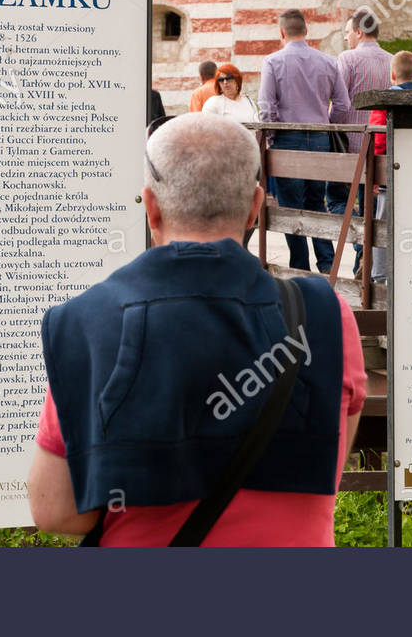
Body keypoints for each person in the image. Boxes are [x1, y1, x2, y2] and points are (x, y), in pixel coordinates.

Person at [27, 114, 366, 545]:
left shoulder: (85, 321)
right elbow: (327, 468)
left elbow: (56, 510)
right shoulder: (323, 315)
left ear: (151, 207)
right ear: (255, 206)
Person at [258, 9, 353, 274]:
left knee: (290, 208)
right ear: (306, 31)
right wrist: (326, 124)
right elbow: (343, 105)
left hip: (288, 139)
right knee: (316, 203)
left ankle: (300, 268)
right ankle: (327, 265)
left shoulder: (273, 62)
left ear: (281, 33)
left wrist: (273, 137)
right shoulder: (328, 61)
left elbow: (267, 108)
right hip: (321, 139)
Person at [332, 9, 393, 275]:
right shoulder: (392, 59)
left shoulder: (348, 58)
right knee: (375, 208)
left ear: (359, 32)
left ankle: (362, 261)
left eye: (347, 33)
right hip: (384, 146)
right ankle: (368, 266)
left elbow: (340, 101)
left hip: (354, 144)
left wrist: (331, 126)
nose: (346, 38)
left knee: (347, 204)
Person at [366, 52, 412, 282]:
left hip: (390, 172)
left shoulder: (384, 100)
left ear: (391, 75)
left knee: (382, 224)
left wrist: (374, 175)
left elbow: (378, 138)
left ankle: (379, 277)